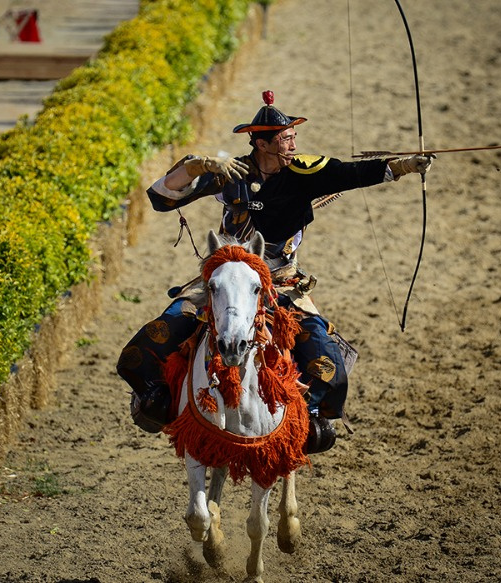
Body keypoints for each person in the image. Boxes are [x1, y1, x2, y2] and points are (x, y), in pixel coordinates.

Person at [116, 90, 433, 454]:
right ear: (262, 143)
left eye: (293, 137)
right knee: (156, 336)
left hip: (281, 284)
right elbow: (161, 198)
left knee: (324, 357)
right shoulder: (230, 173)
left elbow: (355, 172)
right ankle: (159, 402)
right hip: (228, 280)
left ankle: (311, 417)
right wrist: (199, 165)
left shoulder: (304, 173)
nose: (293, 145)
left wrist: (406, 165)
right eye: (285, 139)